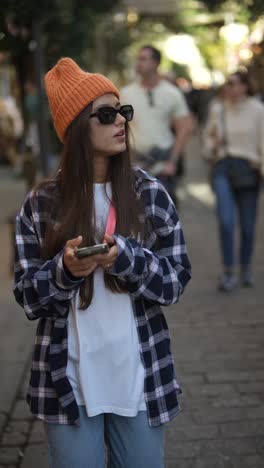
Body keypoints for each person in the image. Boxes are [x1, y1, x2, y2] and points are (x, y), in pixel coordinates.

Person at [13, 58, 192, 468]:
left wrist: (127, 259)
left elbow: (176, 281)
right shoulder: (41, 204)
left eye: (122, 112)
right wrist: (64, 272)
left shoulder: (149, 193)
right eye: (106, 114)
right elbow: (26, 296)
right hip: (67, 382)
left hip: (140, 377)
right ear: (76, 128)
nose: (121, 122)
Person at [203, 71, 264, 291]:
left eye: (233, 83)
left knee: (248, 228)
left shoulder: (258, 110)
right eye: (227, 84)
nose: (229, 88)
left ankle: (245, 268)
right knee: (226, 222)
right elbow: (207, 140)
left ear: (246, 86)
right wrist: (213, 145)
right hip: (223, 168)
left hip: (249, 170)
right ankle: (228, 271)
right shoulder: (217, 108)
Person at [120, 45, 192, 208]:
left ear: (156, 63)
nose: (139, 63)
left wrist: (172, 161)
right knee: (136, 219)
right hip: (135, 165)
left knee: (165, 216)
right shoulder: (125, 93)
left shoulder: (172, 93)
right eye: (138, 59)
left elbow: (184, 128)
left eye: (144, 59)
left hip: (163, 165)